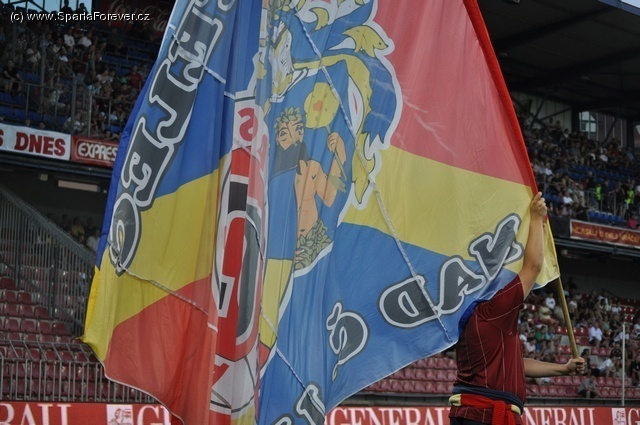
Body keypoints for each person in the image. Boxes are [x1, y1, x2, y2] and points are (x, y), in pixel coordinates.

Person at [449, 193, 586, 425]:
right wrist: (536, 218)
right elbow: (533, 266)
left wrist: (564, 369)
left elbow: (518, 366)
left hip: (471, 413)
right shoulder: (492, 312)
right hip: (488, 416)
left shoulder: (468, 320)